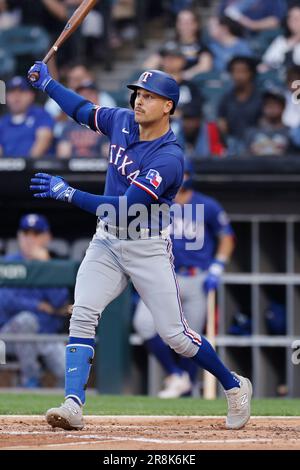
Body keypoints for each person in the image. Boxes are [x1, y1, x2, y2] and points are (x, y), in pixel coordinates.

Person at [27, 60, 252, 431]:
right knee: (82, 312)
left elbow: (128, 206)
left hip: (147, 245)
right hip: (107, 241)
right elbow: (82, 110)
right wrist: (49, 83)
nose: (139, 101)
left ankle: (233, 385)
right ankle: (72, 403)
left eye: (150, 97)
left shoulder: (169, 157)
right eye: (138, 94)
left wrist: (67, 193)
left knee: (175, 336)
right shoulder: (121, 121)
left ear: (168, 107)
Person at [133, 162, 235, 398]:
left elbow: (227, 237)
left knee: (191, 334)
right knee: (144, 323)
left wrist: (217, 268)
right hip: (163, 276)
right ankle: (176, 375)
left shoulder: (207, 205)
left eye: (184, 174)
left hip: (196, 277)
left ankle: (186, 384)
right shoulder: (157, 203)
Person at [0, 214, 70, 387]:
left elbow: (59, 302)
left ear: (47, 237)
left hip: (45, 336)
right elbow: (6, 301)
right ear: (19, 236)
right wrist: (39, 305)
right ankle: (30, 378)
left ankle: (57, 405)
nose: (30, 239)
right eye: (26, 233)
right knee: (26, 320)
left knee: (70, 371)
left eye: (36, 234)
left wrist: (45, 265)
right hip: (10, 338)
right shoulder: (8, 263)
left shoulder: (52, 267)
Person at [144, 9, 213, 79]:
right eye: (181, 22)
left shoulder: (202, 47)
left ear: (196, 25)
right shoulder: (168, 46)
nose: (185, 26)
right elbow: (148, 65)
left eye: (188, 22)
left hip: (191, 85)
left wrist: (182, 76)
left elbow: (205, 67)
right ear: (177, 24)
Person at [218, 56, 263, 155]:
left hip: (256, 143)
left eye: (242, 71)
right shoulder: (227, 98)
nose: (238, 76)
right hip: (232, 143)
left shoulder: (261, 97)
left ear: (251, 73)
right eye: (235, 71)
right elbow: (222, 121)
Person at [0, 76, 54, 158]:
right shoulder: (3, 122)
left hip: (35, 169)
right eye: (12, 92)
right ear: (6, 97)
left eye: (21, 91)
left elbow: (43, 142)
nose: (16, 96)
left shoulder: (41, 115)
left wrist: (24, 166)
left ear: (31, 95)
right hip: (6, 169)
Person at [56, 80, 110, 158]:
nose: (86, 98)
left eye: (89, 95)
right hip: (71, 169)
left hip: (99, 168)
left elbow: (108, 155)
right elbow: (63, 156)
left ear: (97, 98)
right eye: (82, 95)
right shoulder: (68, 126)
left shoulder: (105, 124)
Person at [245, 88, 292, 156]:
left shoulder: (291, 134)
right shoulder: (251, 133)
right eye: (267, 103)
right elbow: (244, 159)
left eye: (275, 103)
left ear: (283, 107)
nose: (271, 106)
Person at [262, 4, 300, 72]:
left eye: (296, 18)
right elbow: (266, 63)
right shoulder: (280, 41)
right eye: (290, 18)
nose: (292, 21)